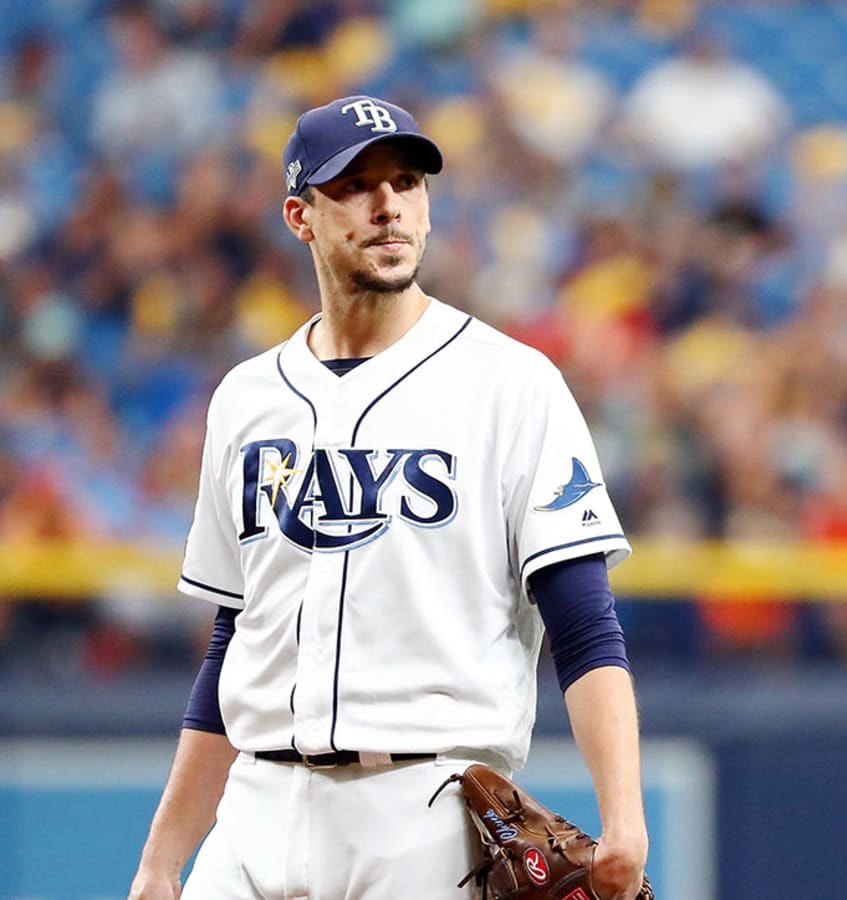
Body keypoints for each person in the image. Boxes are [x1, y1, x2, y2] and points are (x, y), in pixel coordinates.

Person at [128, 95, 648, 899]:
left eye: (406, 182)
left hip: (426, 809)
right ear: (301, 217)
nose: (387, 205)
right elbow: (235, 638)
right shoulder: (246, 397)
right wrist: (164, 857)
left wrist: (625, 813)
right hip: (255, 807)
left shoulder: (510, 384)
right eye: (356, 185)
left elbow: (584, 623)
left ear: (429, 209)